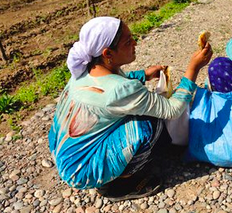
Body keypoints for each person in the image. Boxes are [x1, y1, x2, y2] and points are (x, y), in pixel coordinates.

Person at [48, 17, 212, 201]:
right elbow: (172, 110)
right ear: (108, 53)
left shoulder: (84, 71)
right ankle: (117, 185)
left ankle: (112, 169)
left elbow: (115, 84)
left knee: (140, 114)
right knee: (152, 124)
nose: (135, 42)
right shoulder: (121, 90)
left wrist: (143, 75)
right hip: (82, 170)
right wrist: (193, 69)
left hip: (65, 155)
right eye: (128, 41)